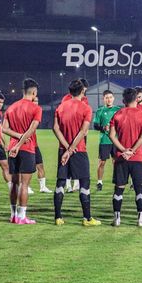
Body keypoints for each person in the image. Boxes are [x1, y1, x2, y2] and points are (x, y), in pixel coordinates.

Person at [53, 79, 101, 226]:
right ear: (82, 91)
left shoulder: (60, 107)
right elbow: (83, 131)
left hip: (63, 150)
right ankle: (87, 218)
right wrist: (72, 149)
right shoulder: (86, 108)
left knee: (61, 182)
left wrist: (66, 149)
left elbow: (55, 128)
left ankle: (58, 217)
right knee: (84, 182)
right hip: (79, 150)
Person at [109, 88, 142, 227]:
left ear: (123, 100)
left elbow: (111, 136)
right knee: (139, 188)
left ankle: (117, 219)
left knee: (119, 188)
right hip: (137, 157)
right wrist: (132, 150)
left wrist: (123, 150)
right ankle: (141, 220)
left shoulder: (117, 115)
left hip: (121, 158)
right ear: (136, 99)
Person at [3, 78, 42, 224]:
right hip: (26, 149)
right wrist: (20, 142)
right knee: (24, 184)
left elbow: (4, 129)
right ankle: (21, 216)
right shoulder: (36, 108)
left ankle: (13, 215)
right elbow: (31, 130)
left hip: (12, 148)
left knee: (14, 183)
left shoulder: (11, 107)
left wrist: (17, 139)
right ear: (34, 92)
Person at [61, 78, 89, 193]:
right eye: (84, 90)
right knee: (66, 162)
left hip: (80, 134)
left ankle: (76, 183)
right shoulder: (66, 99)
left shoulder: (85, 100)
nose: (84, 93)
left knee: (77, 161)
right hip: (68, 134)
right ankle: (68, 184)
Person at [92, 90, 121, 191]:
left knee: (116, 162)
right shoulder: (100, 111)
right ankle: (99, 182)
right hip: (104, 141)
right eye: (107, 97)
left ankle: (117, 180)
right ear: (103, 99)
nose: (109, 99)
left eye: (110, 97)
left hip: (116, 141)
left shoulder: (118, 109)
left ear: (113, 98)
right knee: (102, 162)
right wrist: (103, 128)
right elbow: (95, 126)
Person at [31, 96, 52, 194]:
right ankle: (25, 187)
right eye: (34, 101)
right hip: (26, 145)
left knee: (40, 165)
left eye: (37, 101)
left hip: (34, 145)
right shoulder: (27, 113)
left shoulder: (36, 112)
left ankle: (42, 187)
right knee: (27, 169)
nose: (36, 103)